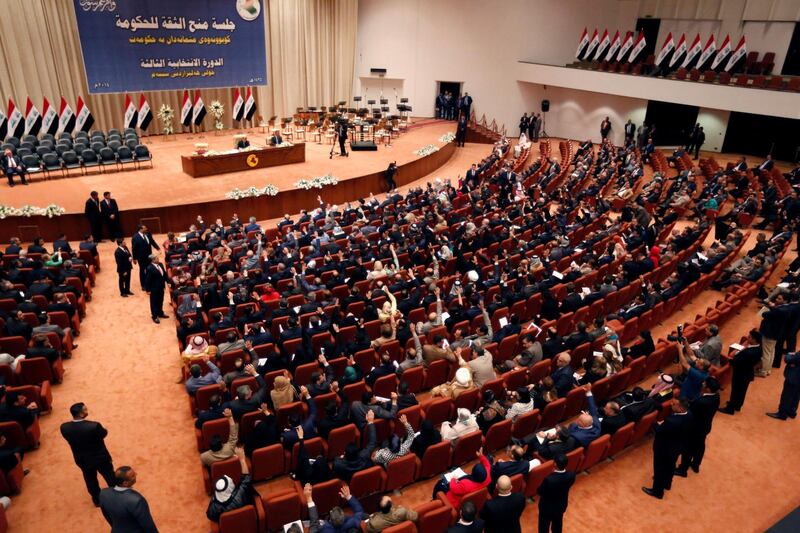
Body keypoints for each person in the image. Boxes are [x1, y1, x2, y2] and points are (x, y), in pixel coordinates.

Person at [60, 402, 115, 506]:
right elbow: (103, 434)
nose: (87, 411)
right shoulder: (94, 426)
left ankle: (97, 500)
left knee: (90, 479)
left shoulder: (64, 427)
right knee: (109, 476)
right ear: (81, 414)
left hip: (82, 459)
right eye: (85, 410)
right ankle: (116, 496)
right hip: (100, 458)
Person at [642, 397, 694, 499]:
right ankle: (667, 483)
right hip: (677, 447)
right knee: (670, 467)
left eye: (674, 404)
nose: (671, 405)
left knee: (659, 469)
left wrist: (655, 424)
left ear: (680, 408)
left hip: (664, 448)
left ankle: (657, 492)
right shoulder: (689, 414)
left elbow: (659, 430)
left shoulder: (672, 421)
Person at [676, 377, 720, 476]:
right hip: (705, 426)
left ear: (708, 389)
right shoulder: (716, 396)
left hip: (695, 428)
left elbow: (690, 412)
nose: (703, 383)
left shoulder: (702, 402)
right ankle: (696, 464)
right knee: (700, 446)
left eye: (705, 383)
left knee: (687, 448)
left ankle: (683, 469)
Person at [98, 466, 158, 532]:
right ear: (125, 483)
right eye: (133, 476)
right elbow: (147, 525)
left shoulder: (103, 493)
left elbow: (107, 516)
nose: (136, 474)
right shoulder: (137, 500)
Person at [719, 330, 762, 414]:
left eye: (749, 337)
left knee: (735, 391)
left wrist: (731, 359)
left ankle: (730, 409)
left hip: (741, 374)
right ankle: (737, 405)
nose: (747, 338)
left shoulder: (748, 352)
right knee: (742, 391)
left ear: (754, 340)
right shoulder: (759, 348)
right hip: (748, 373)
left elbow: (735, 361)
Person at [207, 450, 255, 522]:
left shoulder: (214, 507)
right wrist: (242, 459)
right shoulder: (239, 495)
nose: (232, 479)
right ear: (229, 488)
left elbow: (210, 516)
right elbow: (246, 478)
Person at [537, 453, 575, 533]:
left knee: (543, 528)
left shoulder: (549, 480)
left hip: (546, 509)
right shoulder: (571, 475)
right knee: (557, 526)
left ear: (555, 464)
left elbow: (540, 491)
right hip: (561, 506)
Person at [767, 350, 800, 420]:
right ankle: (791, 412)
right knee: (796, 395)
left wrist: (790, 355)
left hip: (794, 377)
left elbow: (788, 359)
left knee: (786, 396)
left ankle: (782, 413)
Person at [131, 224, 159, 290]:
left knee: (150, 269)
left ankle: (150, 282)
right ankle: (143, 285)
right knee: (143, 270)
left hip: (149, 256)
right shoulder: (135, 237)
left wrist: (157, 248)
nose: (146, 229)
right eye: (144, 228)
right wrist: (134, 258)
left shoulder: (148, 234)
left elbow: (152, 241)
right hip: (141, 257)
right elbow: (134, 249)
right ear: (140, 229)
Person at [144, 253, 168, 324]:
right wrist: (147, 290)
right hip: (154, 289)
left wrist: (168, 282)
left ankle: (160, 313)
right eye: (157, 258)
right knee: (154, 302)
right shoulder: (149, 268)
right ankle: (154, 316)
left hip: (161, 287)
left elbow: (164, 274)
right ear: (153, 260)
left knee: (161, 300)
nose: (158, 259)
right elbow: (147, 280)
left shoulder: (160, 264)